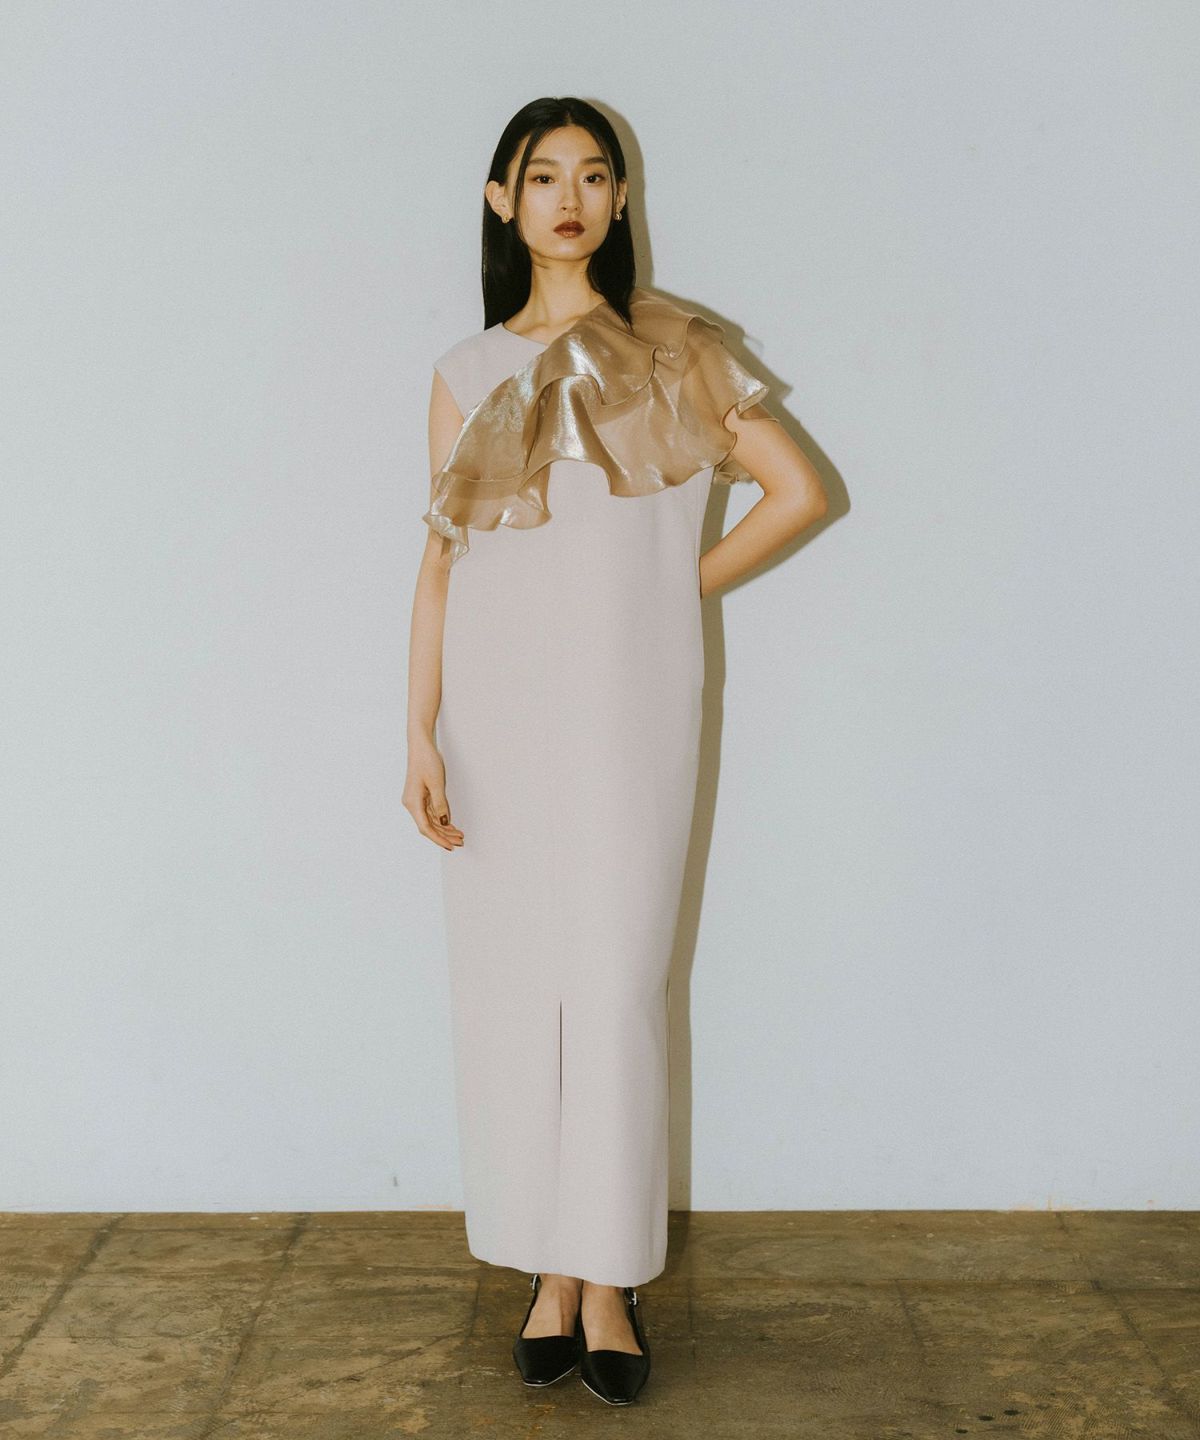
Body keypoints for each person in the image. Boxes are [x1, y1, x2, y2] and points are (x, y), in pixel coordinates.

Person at [405, 97, 828, 1406]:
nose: (571, 198)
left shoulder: (673, 351)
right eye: (544, 177)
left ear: (621, 200)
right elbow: (442, 559)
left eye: (596, 175)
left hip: (630, 707)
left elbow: (801, 492)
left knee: (616, 987)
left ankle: (609, 1281)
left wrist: (668, 592)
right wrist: (418, 729)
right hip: (495, 714)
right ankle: (549, 1271)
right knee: (512, 989)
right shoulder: (465, 371)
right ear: (503, 201)